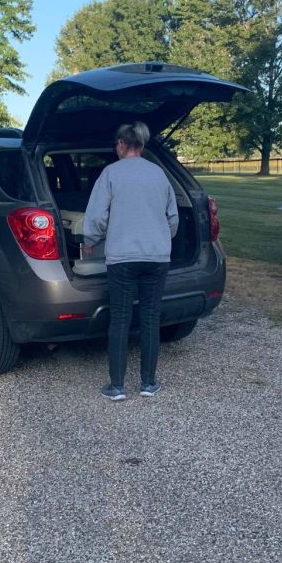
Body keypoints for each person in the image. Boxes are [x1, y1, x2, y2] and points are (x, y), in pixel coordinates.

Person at [82, 121, 179, 401]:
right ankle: (149, 384)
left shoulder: (110, 174)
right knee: (150, 318)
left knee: (121, 320)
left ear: (122, 145)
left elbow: (97, 216)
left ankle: (117, 387)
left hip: (122, 258)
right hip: (157, 257)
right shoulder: (159, 174)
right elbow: (172, 217)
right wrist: (161, 239)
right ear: (142, 145)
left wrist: (90, 242)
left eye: (117, 145)